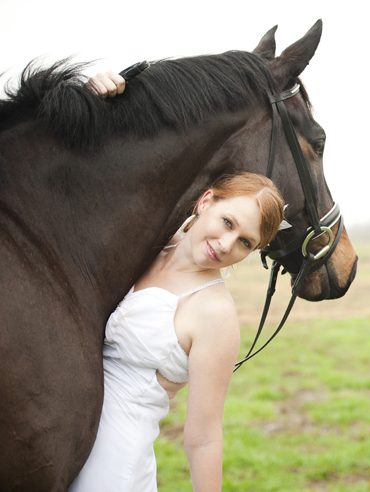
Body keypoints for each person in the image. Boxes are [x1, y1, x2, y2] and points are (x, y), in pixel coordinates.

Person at [70, 73, 285, 492]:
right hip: (64, 440)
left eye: (245, 242)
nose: (226, 245)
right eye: (227, 222)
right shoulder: (145, 246)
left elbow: (203, 437)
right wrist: (95, 101)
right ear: (206, 201)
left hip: (112, 467)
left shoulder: (214, 314)